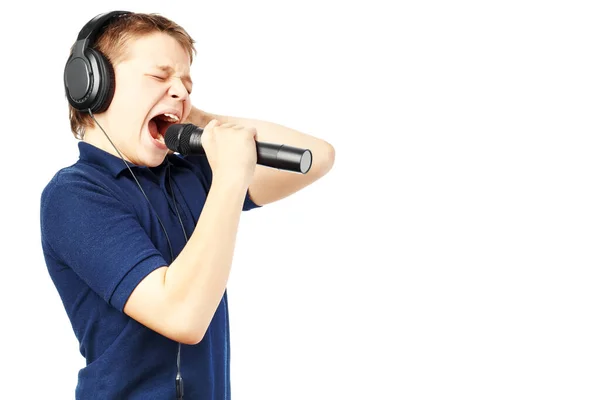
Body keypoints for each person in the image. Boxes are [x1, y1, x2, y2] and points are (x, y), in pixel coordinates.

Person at [39, 10, 335, 400]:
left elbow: (318, 156)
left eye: (186, 83)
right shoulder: (75, 195)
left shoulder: (187, 174)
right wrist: (230, 177)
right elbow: (182, 316)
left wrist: (195, 119)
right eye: (160, 77)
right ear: (94, 85)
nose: (180, 90)